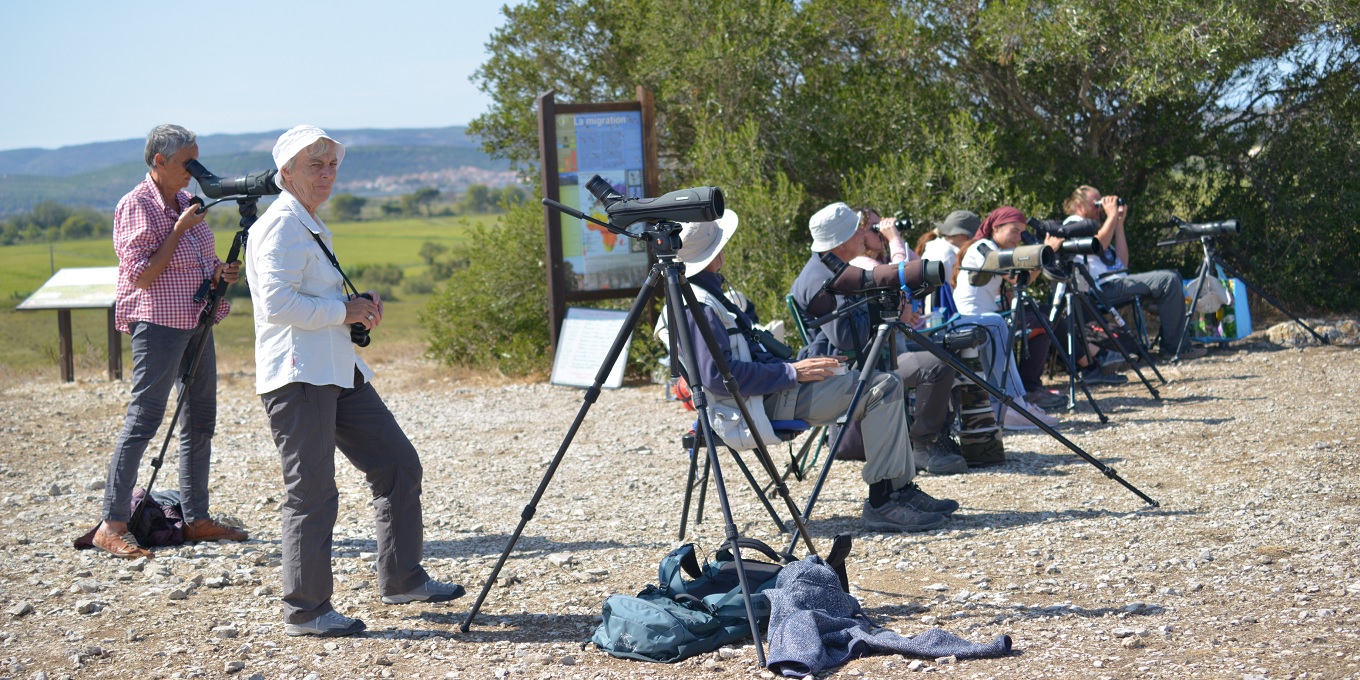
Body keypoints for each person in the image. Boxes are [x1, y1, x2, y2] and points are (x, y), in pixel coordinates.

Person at [245, 125, 462, 638]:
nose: (325, 174)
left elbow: (309, 299)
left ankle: (403, 579)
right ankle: (306, 611)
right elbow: (275, 306)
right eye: (314, 166)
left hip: (336, 370)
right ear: (286, 174)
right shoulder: (278, 226)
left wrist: (354, 310)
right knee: (313, 492)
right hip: (299, 376)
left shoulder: (306, 223)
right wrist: (344, 309)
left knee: (397, 464)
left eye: (332, 165)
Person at [660, 208, 959, 533]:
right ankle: (884, 501)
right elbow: (716, 379)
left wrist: (792, 369)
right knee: (882, 387)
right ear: (713, 252)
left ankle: (898, 492)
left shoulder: (707, 293)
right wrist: (792, 373)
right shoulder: (698, 305)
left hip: (764, 394)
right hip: (752, 407)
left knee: (885, 382)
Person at [91, 124, 247, 560]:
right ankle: (112, 524)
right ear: (158, 162)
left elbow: (199, 265)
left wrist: (220, 274)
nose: (194, 173)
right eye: (187, 164)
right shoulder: (135, 205)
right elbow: (142, 275)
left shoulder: (188, 203)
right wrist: (178, 229)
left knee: (200, 419)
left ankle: (196, 518)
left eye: (197, 162)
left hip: (196, 320)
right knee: (144, 419)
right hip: (157, 323)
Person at [790, 203, 968, 475]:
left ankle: (929, 442)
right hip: (851, 368)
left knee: (946, 351)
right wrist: (882, 307)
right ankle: (923, 446)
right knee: (937, 365)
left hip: (870, 359)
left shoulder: (831, 267)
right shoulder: (820, 280)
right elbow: (846, 337)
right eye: (856, 232)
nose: (863, 236)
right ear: (839, 242)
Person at [1062, 186, 1206, 360]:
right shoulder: (1073, 224)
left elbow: (1122, 263)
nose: (1100, 209)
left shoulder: (1096, 229)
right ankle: (1175, 348)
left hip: (1116, 283)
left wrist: (1119, 223)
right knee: (1168, 280)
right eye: (1096, 204)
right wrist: (1112, 216)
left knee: (1171, 277)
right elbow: (1098, 245)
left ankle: (1176, 344)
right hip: (1099, 289)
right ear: (1079, 206)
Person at [950, 206, 1062, 429]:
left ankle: (1014, 403)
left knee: (1014, 320)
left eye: (1022, 232)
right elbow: (1014, 278)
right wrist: (1043, 252)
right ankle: (1015, 405)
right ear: (996, 228)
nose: (1019, 238)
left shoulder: (991, 248)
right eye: (1014, 231)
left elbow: (1021, 283)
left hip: (981, 317)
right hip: (968, 318)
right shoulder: (983, 248)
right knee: (997, 323)